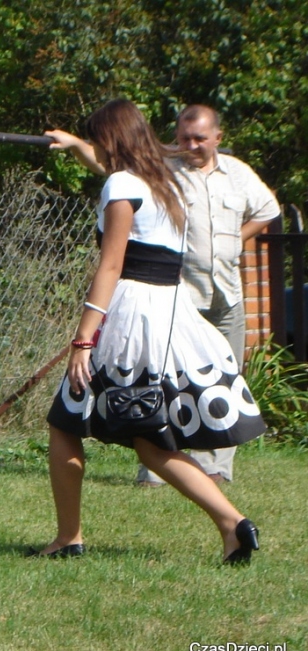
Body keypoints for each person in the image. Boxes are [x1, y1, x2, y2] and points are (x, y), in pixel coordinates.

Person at [33, 99, 264, 564]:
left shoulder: (121, 184)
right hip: (168, 312)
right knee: (149, 440)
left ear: (110, 139)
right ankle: (232, 524)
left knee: (66, 423)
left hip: (130, 319)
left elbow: (112, 265)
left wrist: (83, 341)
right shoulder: (166, 181)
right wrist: (77, 145)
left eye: (97, 139)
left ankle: (68, 537)